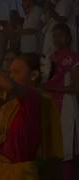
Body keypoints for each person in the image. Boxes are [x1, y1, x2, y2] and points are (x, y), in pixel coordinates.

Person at [0, 53, 63, 180]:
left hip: (19, 174)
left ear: (33, 76)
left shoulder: (34, 99)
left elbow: (10, 86)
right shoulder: (10, 102)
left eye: (16, 71)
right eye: (10, 72)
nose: (11, 76)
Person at [44, 23, 79, 180]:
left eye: (60, 35)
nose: (57, 39)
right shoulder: (50, 58)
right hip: (50, 106)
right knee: (52, 147)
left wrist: (52, 89)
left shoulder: (74, 58)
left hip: (67, 106)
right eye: (54, 36)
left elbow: (75, 88)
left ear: (69, 37)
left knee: (66, 147)